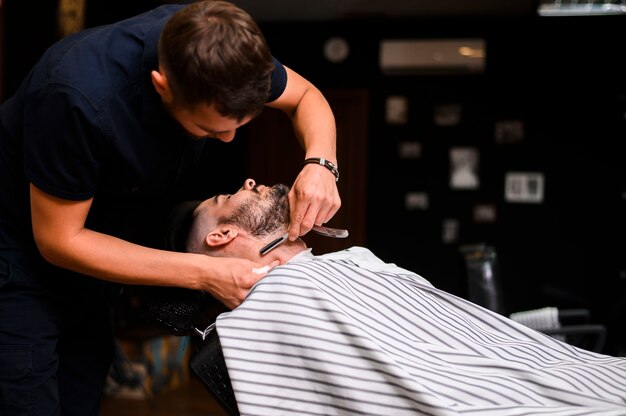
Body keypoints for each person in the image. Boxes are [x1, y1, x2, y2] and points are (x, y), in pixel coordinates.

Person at [0, 1, 340, 414]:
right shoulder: (77, 97)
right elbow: (59, 240)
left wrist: (321, 163)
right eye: (211, 129)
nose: (229, 140)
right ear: (163, 85)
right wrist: (206, 273)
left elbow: (305, 95)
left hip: (100, 241)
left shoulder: (223, 47)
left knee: (81, 392)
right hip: (20, 249)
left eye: (239, 125)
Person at [172, 178, 626, 416]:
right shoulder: (270, 306)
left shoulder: (354, 259)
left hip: (564, 372)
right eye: (228, 194)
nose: (249, 182)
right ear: (222, 235)